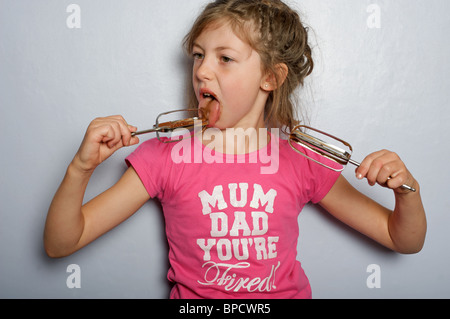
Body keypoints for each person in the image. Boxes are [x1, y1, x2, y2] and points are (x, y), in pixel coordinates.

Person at [44, 0, 426, 299]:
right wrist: (80, 170)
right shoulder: (165, 157)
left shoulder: (301, 160)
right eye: (198, 55)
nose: (202, 71)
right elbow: (62, 243)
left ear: (270, 77)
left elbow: (402, 240)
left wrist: (407, 191)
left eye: (224, 58)